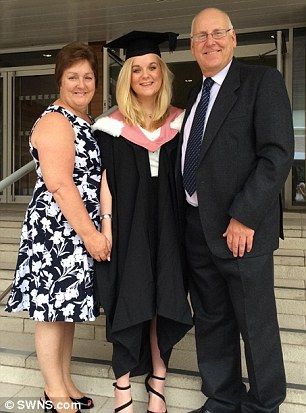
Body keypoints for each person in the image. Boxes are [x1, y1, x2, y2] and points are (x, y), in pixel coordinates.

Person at [179, 8, 294, 413]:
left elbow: (276, 155)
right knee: (212, 320)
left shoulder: (261, 82)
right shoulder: (194, 94)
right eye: (200, 36)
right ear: (192, 46)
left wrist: (245, 215)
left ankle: (264, 405)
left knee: (256, 325)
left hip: (241, 229)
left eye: (217, 33)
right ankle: (222, 398)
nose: (210, 42)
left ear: (233, 38)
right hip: (198, 228)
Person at [6, 42, 110, 413]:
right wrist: (92, 235)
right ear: (59, 81)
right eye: (72, 77)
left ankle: (64, 381)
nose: (81, 84)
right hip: (57, 231)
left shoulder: (83, 121)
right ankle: (52, 390)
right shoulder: (55, 121)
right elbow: (61, 185)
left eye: (88, 77)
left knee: (66, 310)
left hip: (74, 229)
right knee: (52, 312)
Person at [92, 31, 193, 413]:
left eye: (153, 67)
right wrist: (107, 225)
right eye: (137, 69)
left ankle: (158, 381)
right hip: (128, 223)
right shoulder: (110, 128)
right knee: (130, 298)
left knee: (164, 298)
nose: (146, 75)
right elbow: (105, 182)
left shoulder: (182, 123)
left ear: (163, 74)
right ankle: (121, 387)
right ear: (127, 78)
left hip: (170, 224)